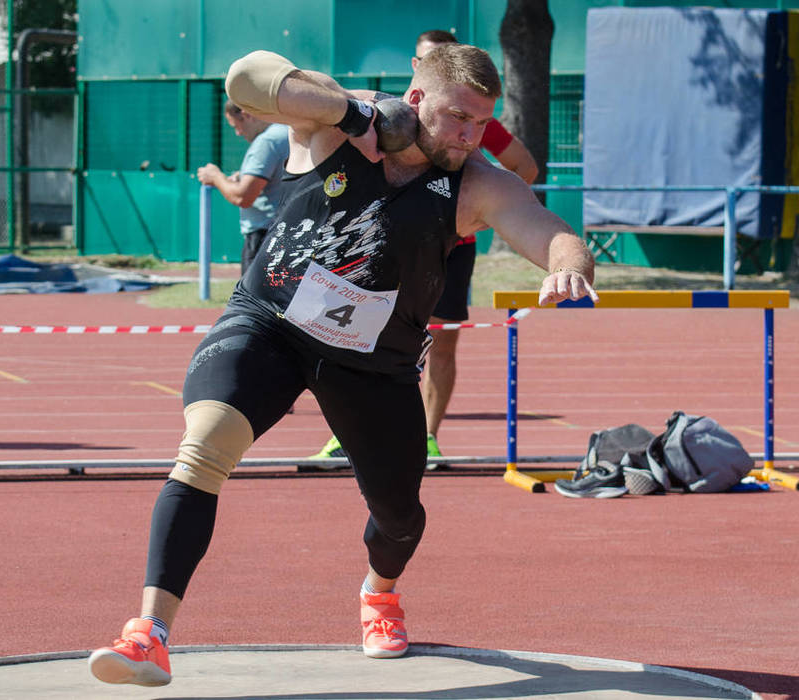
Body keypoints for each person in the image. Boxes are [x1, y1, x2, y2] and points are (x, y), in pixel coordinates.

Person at [88, 44, 598, 687]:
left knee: (400, 516)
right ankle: (148, 635)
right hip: (269, 324)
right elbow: (247, 77)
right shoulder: (333, 129)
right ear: (416, 101)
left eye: (480, 122)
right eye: (458, 118)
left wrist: (567, 269)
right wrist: (352, 111)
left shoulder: (476, 183)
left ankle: (379, 594)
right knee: (206, 444)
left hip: (374, 364)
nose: (471, 136)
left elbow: (550, 230)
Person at [311, 30, 539, 469]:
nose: (421, 64)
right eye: (419, 59)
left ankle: (429, 437)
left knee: (441, 344)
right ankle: (344, 435)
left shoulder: (470, 119)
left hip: (450, 249)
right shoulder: (382, 113)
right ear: (416, 70)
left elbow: (524, 168)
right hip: (384, 242)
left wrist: (476, 209)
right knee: (351, 335)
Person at [197, 100, 289, 274]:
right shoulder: (287, 132)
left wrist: (216, 177)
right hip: (285, 233)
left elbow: (243, 197)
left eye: (236, 125)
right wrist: (244, 175)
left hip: (264, 237)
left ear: (246, 115)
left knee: (251, 301)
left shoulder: (267, 141)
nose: (238, 133)